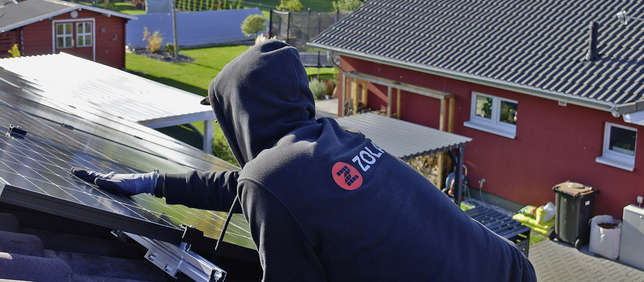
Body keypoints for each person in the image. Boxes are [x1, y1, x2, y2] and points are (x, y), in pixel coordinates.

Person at [73, 40, 536, 281]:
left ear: (239, 112)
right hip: (507, 267)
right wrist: (154, 182)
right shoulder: (330, 140)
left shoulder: (274, 177)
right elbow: (246, 185)